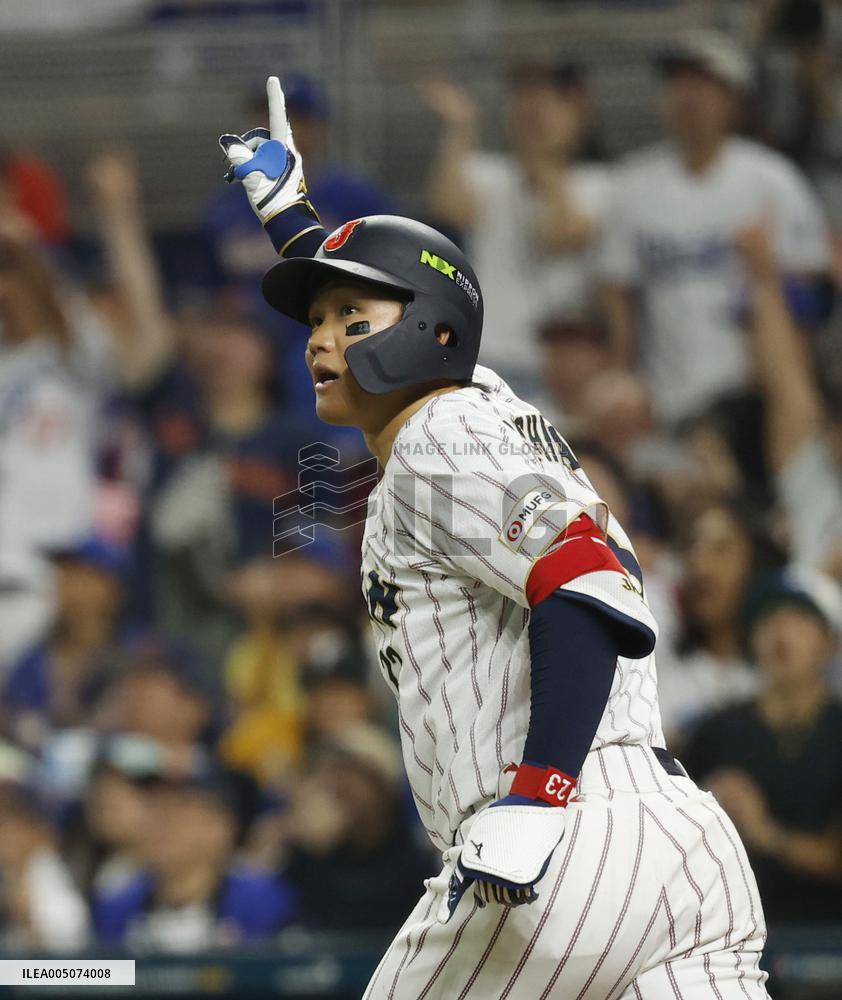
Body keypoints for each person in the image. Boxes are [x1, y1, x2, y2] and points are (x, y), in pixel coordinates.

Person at [216, 78, 771, 997]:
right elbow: (411, 302)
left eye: (350, 322)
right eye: (317, 321)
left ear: (432, 335)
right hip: (684, 851)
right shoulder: (478, 413)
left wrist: (539, 795)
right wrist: (292, 218)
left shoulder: (437, 434)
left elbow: (587, 584)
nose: (322, 341)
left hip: (559, 838)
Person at [599, 28, 831, 424]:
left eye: (702, 84)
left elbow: (814, 292)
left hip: (756, 394)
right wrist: (623, 374)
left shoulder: (771, 179)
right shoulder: (633, 184)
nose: (687, 97)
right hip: (666, 396)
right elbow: (618, 291)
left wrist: (790, 380)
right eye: (677, 83)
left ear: (733, 100)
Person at [424, 62, 611, 396]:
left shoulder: (600, 183)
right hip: (487, 355)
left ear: (579, 114)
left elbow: (557, 234)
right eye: (523, 104)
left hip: (559, 367)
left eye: (546, 106)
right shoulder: (494, 175)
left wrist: (545, 156)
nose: (531, 116)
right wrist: (461, 127)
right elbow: (447, 208)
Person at [682, 567, 842, 924]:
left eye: (799, 619)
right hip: (732, 934)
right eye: (767, 619)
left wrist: (766, 834)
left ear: (830, 642)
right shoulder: (717, 732)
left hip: (828, 936)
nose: (781, 633)